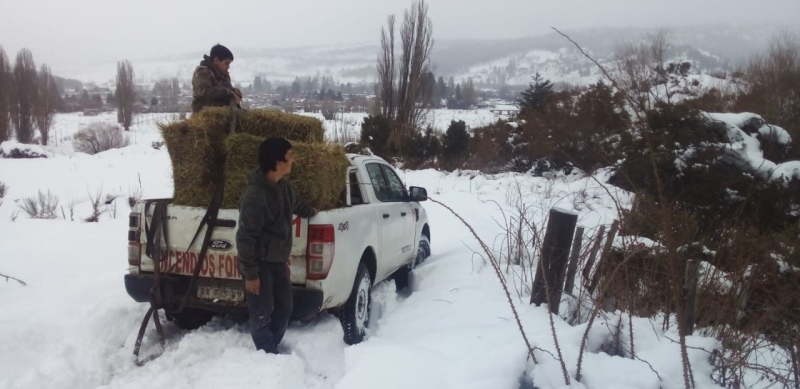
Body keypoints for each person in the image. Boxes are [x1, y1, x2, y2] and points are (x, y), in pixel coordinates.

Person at [235, 137, 318, 354]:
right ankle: (265, 354)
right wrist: (251, 274)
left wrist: (309, 211)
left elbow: (295, 203)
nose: (293, 160)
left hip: (278, 261)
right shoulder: (255, 196)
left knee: (284, 308)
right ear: (276, 161)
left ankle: (272, 346)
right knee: (263, 311)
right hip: (259, 264)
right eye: (290, 156)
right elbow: (245, 238)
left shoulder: (284, 186)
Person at [191, 44, 243, 113]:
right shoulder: (202, 72)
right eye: (226, 63)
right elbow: (204, 91)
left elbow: (229, 89)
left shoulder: (224, 75)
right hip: (205, 115)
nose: (228, 67)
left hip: (223, 114)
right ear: (216, 60)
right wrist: (228, 93)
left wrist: (236, 93)